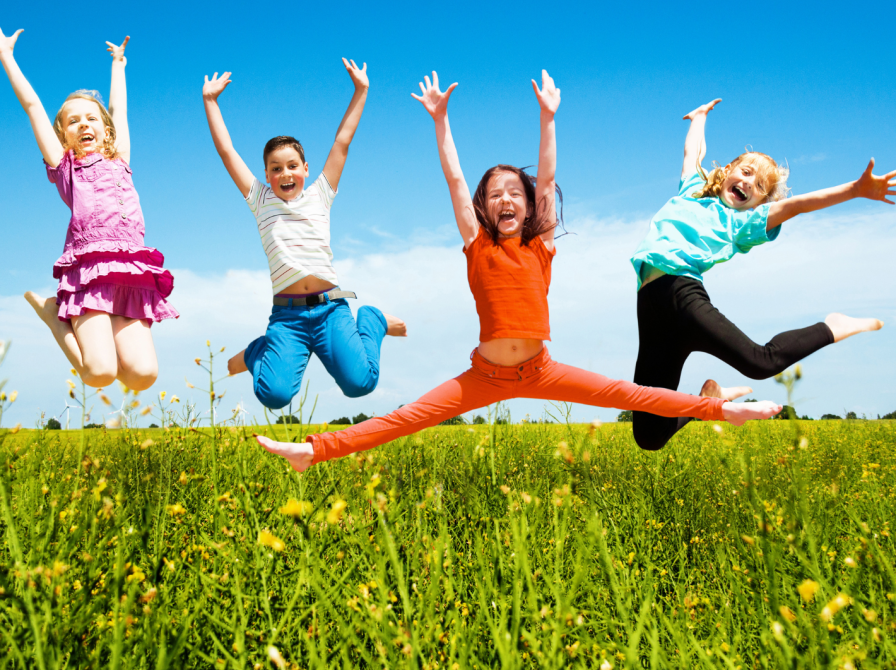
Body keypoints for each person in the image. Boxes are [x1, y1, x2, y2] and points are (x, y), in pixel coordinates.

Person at [256, 72, 782, 472]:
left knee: (631, 394)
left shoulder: (541, 245)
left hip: (540, 369)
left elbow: (547, 175)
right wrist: (441, 122)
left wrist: (548, 117)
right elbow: (456, 178)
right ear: (485, 208)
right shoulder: (476, 242)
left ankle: (721, 412)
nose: (505, 198)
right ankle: (313, 452)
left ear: (529, 206)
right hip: (484, 373)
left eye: (515, 192)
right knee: (407, 417)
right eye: (495, 194)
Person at [629, 98, 894, 451]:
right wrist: (699, 118)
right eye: (747, 172)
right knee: (648, 436)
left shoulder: (742, 223)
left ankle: (832, 326)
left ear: (759, 204)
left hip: (682, 295)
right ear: (728, 170)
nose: (749, 183)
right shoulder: (691, 190)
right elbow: (692, 152)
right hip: (649, 306)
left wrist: (855, 190)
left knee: (759, 361)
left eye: (760, 187)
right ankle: (711, 402)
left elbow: (798, 205)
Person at [202, 60, 407, 410]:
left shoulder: (320, 194)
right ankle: (257, 351)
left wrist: (361, 91)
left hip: (331, 310)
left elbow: (342, 143)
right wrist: (210, 101)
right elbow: (226, 152)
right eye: (276, 168)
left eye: (292, 165)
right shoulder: (260, 200)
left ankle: (371, 318)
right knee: (274, 395)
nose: (285, 173)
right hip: (287, 318)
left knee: (362, 384)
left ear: (306, 169)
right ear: (266, 175)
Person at [0, 28, 177, 390]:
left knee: (143, 376)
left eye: (91, 118)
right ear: (63, 134)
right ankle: (53, 315)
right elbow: (33, 107)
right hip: (89, 270)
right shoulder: (66, 167)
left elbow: (119, 111)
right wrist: (6, 57)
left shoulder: (121, 158)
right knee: (99, 374)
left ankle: (109, 346)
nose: (84, 123)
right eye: (74, 120)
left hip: (131, 271)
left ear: (106, 131)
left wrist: (119, 66)